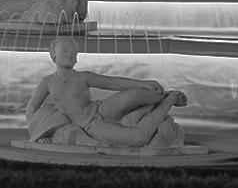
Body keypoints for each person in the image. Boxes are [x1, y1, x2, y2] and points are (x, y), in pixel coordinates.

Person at [26, 38, 187, 149]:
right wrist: (37, 134)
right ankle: (170, 99)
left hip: (100, 109)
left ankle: (162, 96)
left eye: (74, 52)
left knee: (134, 95)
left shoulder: (83, 77)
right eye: (65, 50)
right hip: (88, 126)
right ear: (53, 55)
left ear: (77, 59)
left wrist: (143, 83)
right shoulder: (48, 82)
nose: (70, 54)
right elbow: (31, 107)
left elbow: (113, 83)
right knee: (136, 138)